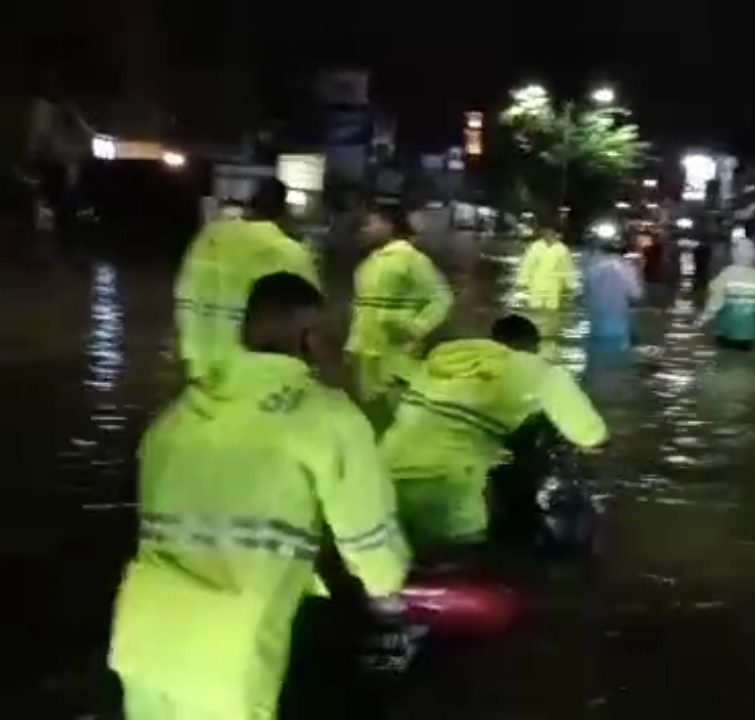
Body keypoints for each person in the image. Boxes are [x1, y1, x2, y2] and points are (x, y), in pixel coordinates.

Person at [109, 273, 409, 719]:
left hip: (144, 641)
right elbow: (373, 554)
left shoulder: (173, 419)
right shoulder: (327, 420)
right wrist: (391, 602)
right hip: (229, 660)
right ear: (312, 339)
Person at [382, 315, 607, 548]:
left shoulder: (443, 358)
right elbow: (591, 436)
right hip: (447, 487)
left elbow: (393, 373)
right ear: (532, 347)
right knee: (463, 554)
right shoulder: (536, 370)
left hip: (384, 475)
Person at [175, 178, 319, 381]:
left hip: (201, 366)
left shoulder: (206, 241)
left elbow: (185, 296)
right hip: (257, 376)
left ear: (249, 204)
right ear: (283, 211)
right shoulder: (290, 252)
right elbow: (311, 320)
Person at [346, 202, 452, 431]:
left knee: (398, 419)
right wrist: (352, 345)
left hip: (396, 355)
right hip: (367, 353)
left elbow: (442, 299)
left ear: (389, 225)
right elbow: (362, 307)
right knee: (370, 419)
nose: (366, 229)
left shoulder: (412, 259)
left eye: (371, 223)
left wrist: (416, 328)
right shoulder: (371, 261)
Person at [696, 236, 755, 349]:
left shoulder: (726, 274)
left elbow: (715, 304)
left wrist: (700, 321)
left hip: (727, 333)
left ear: (734, 254)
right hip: (751, 336)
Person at [514, 227, 578, 346]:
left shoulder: (562, 249)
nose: (548, 236)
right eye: (546, 234)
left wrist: (571, 285)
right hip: (536, 284)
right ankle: (535, 334)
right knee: (536, 309)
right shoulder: (535, 247)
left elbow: (568, 268)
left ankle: (549, 336)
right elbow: (527, 265)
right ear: (543, 235)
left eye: (551, 234)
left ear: (555, 235)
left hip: (554, 285)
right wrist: (521, 282)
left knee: (552, 311)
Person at [583, 233, 643, 348]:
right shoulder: (627, 269)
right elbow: (636, 295)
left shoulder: (591, 270)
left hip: (596, 328)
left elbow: (586, 294)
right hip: (618, 329)